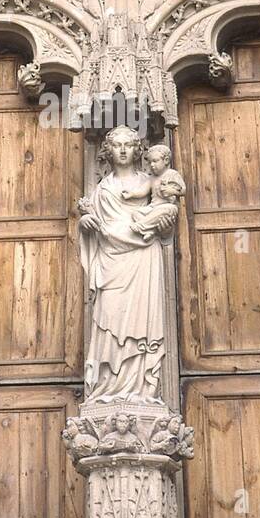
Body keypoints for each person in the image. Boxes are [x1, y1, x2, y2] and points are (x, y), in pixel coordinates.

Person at [77, 126, 174, 403]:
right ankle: (110, 387)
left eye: (128, 145)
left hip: (143, 259)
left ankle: (142, 390)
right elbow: (93, 228)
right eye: (117, 145)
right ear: (107, 151)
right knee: (110, 320)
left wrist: (165, 226)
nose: (122, 150)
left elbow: (165, 226)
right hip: (111, 262)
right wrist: (85, 225)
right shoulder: (102, 189)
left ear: (137, 150)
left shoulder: (150, 182)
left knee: (143, 322)